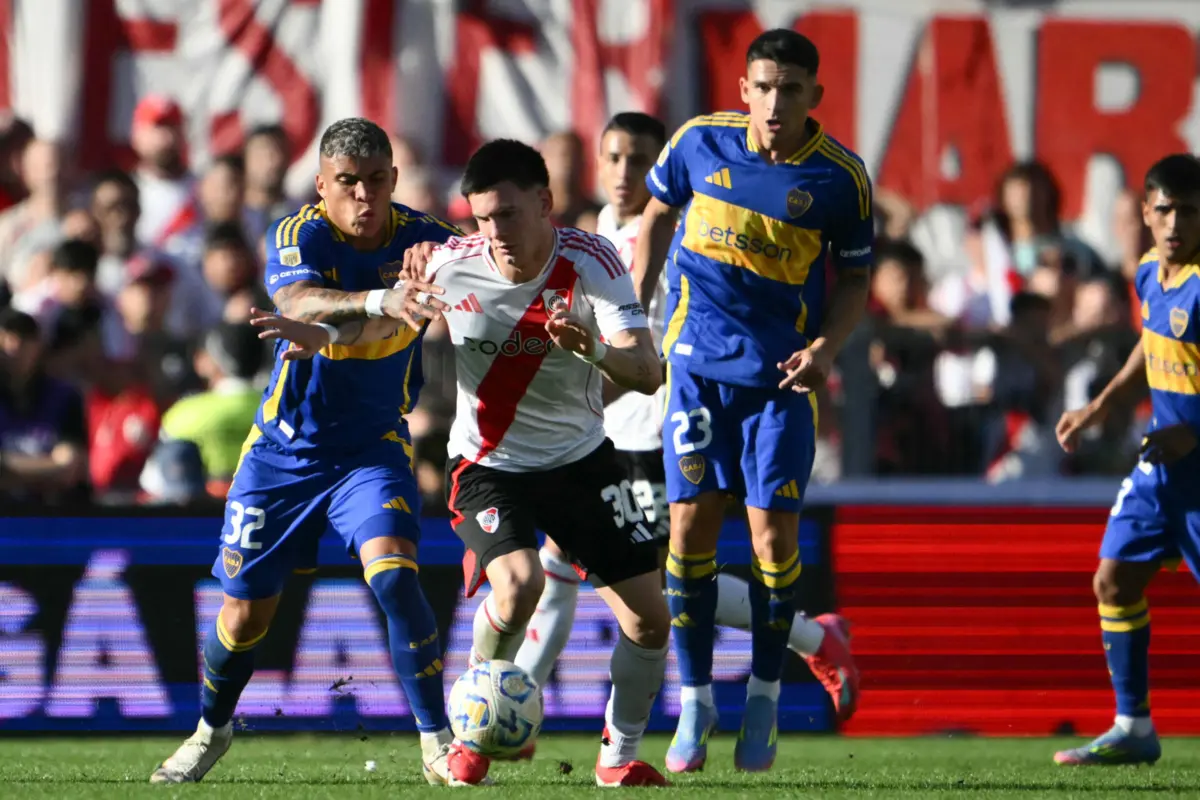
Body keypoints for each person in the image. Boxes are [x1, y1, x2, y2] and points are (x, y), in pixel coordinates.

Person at [256, 138, 671, 788]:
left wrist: (589, 347)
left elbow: (647, 372)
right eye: (481, 218)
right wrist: (327, 335)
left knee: (651, 619)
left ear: (545, 203)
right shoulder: (450, 265)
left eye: (507, 215)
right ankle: (470, 729)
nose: (493, 233)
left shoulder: (595, 260)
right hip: (487, 464)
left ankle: (617, 759)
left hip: (581, 461)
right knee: (519, 585)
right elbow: (388, 326)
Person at [149, 118, 464, 785]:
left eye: (375, 181)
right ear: (322, 185)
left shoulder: (426, 240)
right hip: (283, 455)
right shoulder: (300, 233)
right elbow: (297, 298)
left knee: (396, 578)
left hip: (371, 450)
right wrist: (382, 301)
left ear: (393, 181)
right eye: (346, 183)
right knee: (242, 614)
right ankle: (212, 727)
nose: (363, 196)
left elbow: (478, 275)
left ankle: (439, 742)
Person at [513, 111, 846, 721]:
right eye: (612, 158)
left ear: (662, 166)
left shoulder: (683, 234)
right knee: (561, 564)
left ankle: (815, 639)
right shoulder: (594, 236)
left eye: (638, 160)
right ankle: (518, 711)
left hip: (657, 426)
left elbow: (660, 349)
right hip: (598, 431)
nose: (624, 173)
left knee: (669, 580)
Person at [631, 29, 870, 773]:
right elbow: (655, 216)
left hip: (778, 384)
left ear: (813, 98)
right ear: (743, 89)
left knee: (772, 544)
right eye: (762, 87)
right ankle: (696, 703)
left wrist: (827, 350)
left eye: (790, 89)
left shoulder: (840, 180)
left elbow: (857, 280)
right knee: (689, 534)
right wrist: (637, 314)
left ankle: (765, 697)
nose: (774, 102)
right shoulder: (699, 142)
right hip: (698, 372)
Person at [1052, 153, 1200, 766]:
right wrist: (1099, 406)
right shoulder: (1147, 274)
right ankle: (1133, 726)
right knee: (1112, 579)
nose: (1175, 224)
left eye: (1189, 212)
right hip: (1163, 464)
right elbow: (1152, 345)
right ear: (1145, 213)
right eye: (1164, 210)